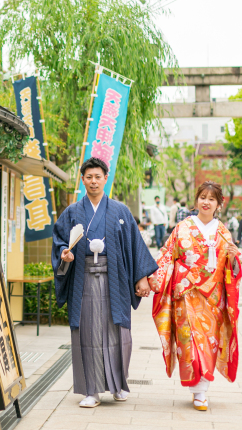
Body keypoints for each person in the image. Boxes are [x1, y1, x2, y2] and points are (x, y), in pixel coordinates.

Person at [52, 157, 159, 408]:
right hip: (83, 279)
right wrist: (64, 255)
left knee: (118, 331)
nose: (93, 181)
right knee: (87, 333)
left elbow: (135, 246)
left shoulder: (120, 211)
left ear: (105, 178)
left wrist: (142, 277)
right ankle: (92, 390)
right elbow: (59, 245)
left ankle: (118, 385)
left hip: (116, 279)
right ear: (82, 180)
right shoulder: (72, 212)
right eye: (88, 177)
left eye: (98, 176)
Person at [149, 181, 242, 412]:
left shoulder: (223, 232)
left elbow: (233, 269)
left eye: (212, 199)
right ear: (196, 200)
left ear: (219, 204)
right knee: (189, 342)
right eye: (202, 197)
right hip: (186, 295)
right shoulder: (182, 227)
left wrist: (232, 258)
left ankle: (202, 389)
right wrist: (151, 279)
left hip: (213, 298)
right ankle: (198, 390)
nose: (206, 202)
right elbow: (166, 256)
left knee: (209, 343)